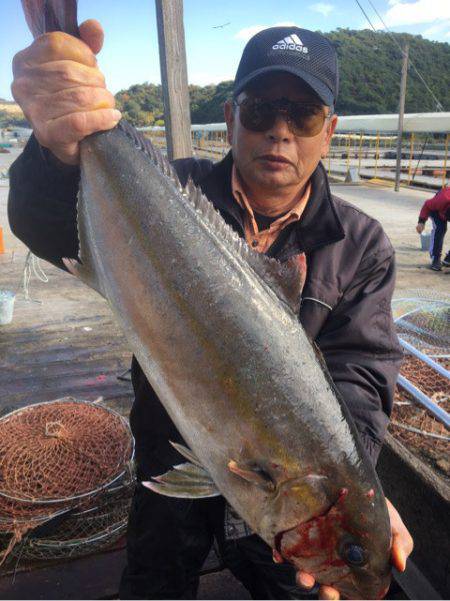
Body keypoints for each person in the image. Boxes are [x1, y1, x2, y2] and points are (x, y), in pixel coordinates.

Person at [9, 22, 413, 600]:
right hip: (167, 466)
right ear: (229, 117)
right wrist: (56, 150)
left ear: (329, 132)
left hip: (269, 509)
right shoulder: (170, 188)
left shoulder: (362, 243)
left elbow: (361, 370)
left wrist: (358, 486)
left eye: (302, 116)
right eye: (260, 110)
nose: (280, 131)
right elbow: (51, 227)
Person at [416, 187, 450, 271]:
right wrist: (421, 222)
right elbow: (427, 205)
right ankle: (436, 258)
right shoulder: (441, 200)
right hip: (436, 211)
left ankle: (448, 259)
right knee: (441, 229)